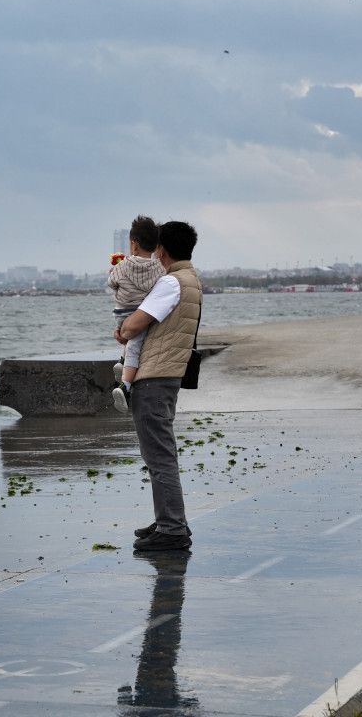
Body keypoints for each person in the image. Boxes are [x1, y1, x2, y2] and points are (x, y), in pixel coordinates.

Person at [114, 221, 201, 551]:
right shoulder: (190, 279)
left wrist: (123, 329)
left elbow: (134, 324)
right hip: (168, 374)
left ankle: (172, 528)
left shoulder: (171, 283)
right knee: (161, 454)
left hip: (154, 376)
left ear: (162, 249)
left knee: (159, 456)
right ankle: (168, 518)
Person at [107, 216, 166, 414]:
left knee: (127, 340)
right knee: (135, 347)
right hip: (140, 315)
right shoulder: (159, 268)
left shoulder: (122, 265)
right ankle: (125, 386)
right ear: (155, 246)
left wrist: (115, 272)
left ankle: (122, 362)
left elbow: (112, 283)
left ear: (134, 244)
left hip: (121, 313)